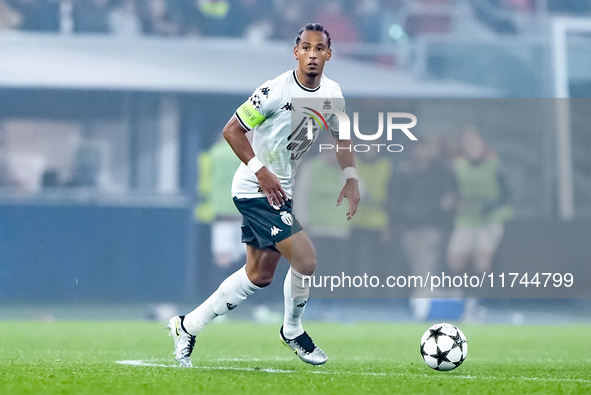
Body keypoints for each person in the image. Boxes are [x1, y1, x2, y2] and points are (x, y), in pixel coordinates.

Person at [167, 22, 360, 367]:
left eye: (320, 49)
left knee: (259, 275)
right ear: (296, 51)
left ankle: (186, 325)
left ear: (329, 54)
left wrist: (350, 177)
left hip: (279, 191)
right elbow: (233, 130)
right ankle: (293, 330)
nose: (312, 55)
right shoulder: (274, 90)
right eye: (306, 48)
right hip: (256, 188)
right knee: (306, 259)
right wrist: (262, 171)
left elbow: (342, 137)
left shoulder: (332, 94)